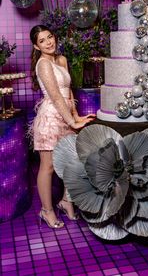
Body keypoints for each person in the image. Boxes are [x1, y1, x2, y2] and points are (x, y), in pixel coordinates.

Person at [29, 24, 95, 229]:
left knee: (70, 161)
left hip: (66, 115)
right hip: (50, 119)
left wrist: (77, 116)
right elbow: (56, 96)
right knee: (48, 166)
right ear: (36, 46)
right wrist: (72, 121)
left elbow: (68, 92)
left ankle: (66, 201)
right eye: (42, 40)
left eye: (50, 37)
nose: (49, 42)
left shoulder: (61, 60)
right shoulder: (42, 64)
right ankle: (46, 211)